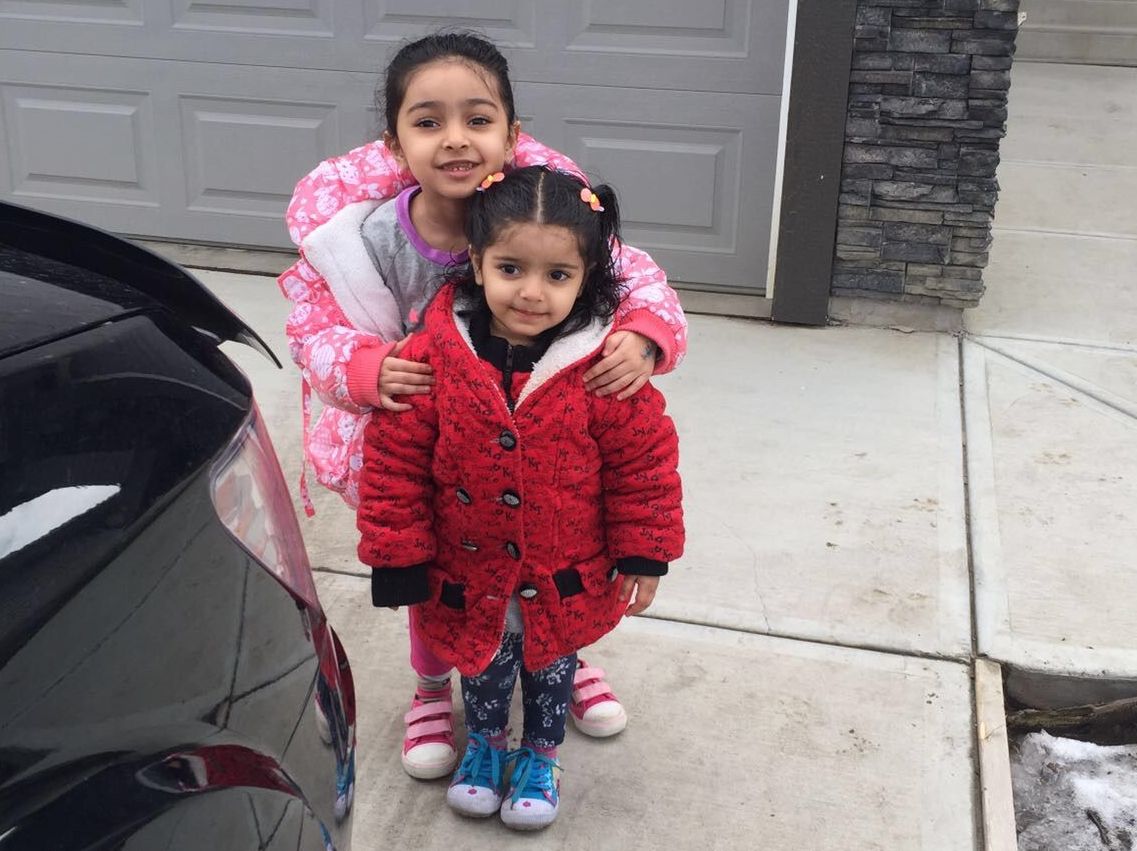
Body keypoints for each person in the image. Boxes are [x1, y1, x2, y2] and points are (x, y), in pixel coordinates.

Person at [276, 31, 688, 781]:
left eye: (477, 118)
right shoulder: (359, 242)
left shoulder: (545, 212)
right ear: (395, 142)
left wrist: (644, 335)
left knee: (548, 544)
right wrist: (366, 368)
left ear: (511, 133)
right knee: (437, 565)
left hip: (539, 430)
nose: (455, 139)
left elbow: (633, 276)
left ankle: (558, 651)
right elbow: (311, 326)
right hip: (419, 438)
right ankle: (434, 686)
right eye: (427, 122)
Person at [357, 165, 684, 830]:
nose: (531, 293)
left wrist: (643, 553)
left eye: (557, 275)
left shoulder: (601, 366)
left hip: (562, 564)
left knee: (549, 661)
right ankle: (484, 744)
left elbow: (642, 463)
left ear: (586, 276)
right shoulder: (435, 357)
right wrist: (397, 555)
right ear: (476, 263)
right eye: (510, 268)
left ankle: (540, 753)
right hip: (466, 561)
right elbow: (394, 457)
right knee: (481, 658)